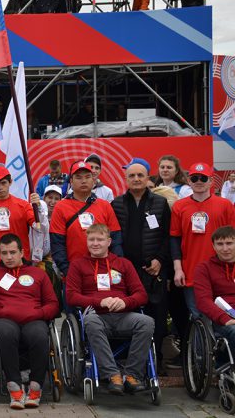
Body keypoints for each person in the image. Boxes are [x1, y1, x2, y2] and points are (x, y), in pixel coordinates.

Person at [66, 223, 153, 395]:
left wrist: (125, 302)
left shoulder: (123, 264)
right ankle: (112, 375)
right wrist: (100, 302)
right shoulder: (78, 265)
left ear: (109, 242)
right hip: (97, 316)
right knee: (91, 321)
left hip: (123, 315)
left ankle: (132, 375)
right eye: (91, 239)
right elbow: (71, 296)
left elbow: (141, 295)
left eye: (100, 239)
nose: (95, 243)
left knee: (146, 322)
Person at [0, 233, 59, 409]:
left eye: (13, 252)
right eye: (4, 253)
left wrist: (39, 313)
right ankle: (14, 386)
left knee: (39, 334)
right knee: (6, 333)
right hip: (3, 319)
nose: (9, 257)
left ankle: (35, 387)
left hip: (33, 319)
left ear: (22, 252)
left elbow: (53, 304)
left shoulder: (38, 274)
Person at [111, 157, 170, 369]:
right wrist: (119, 263)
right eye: (132, 176)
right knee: (129, 314)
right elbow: (112, 237)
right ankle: (129, 360)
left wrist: (160, 260)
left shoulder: (160, 203)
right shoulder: (116, 204)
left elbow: (168, 236)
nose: (136, 179)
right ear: (126, 179)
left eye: (140, 175)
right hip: (125, 270)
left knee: (157, 315)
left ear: (147, 178)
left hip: (153, 270)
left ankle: (157, 360)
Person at [171, 163, 235, 318]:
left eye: (203, 178)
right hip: (191, 271)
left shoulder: (225, 205)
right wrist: (178, 269)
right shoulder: (179, 206)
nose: (199, 181)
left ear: (211, 181)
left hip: (222, 273)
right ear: (189, 181)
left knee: (227, 316)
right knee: (198, 317)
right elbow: (174, 239)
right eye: (194, 178)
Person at [50, 162, 122, 277]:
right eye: (78, 177)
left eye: (87, 177)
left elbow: (115, 240)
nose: (83, 181)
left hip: (104, 272)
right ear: (71, 181)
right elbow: (57, 243)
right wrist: (68, 271)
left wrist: (115, 267)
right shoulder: (60, 207)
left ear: (93, 180)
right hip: (74, 272)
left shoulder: (105, 206)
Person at [0, 166, 46, 281]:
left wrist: (39, 208)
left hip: (20, 264)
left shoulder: (23, 205)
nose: (0, 187)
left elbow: (39, 227)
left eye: (3, 183)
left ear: (10, 182)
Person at [193, 227, 235, 349]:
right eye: (220, 244)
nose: (225, 249)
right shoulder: (204, 269)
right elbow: (203, 301)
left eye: (229, 243)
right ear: (213, 246)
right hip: (223, 318)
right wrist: (225, 319)